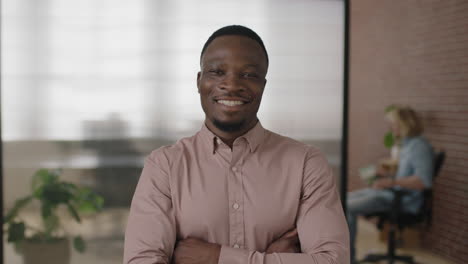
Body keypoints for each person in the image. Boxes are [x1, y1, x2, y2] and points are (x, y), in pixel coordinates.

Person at [124, 25, 349, 264]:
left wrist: (216, 257)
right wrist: (270, 259)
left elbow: (333, 261)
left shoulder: (306, 164)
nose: (231, 85)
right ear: (199, 81)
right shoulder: (165, 166)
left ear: (263, 85)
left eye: (249, 74)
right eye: (217, 72)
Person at [347, 106, 434, 263]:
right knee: (341, 200)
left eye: (394, 124)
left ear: (405, 124)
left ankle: (349, 259)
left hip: (402, 200)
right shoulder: (408, 145)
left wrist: (391, 182)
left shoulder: (419, 146)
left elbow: (423, 181)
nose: (391, 128)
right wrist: (386, 177)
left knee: (346, 207)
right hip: (391, 193)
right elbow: (407, 176)